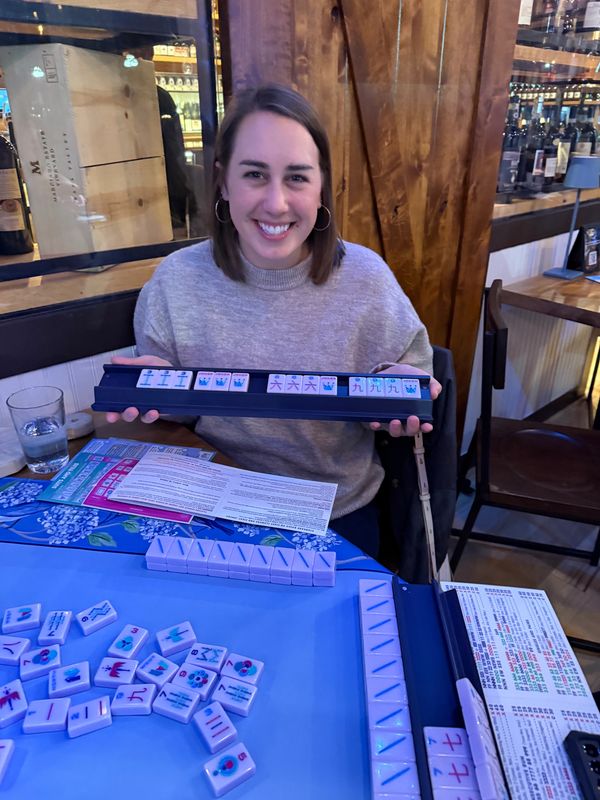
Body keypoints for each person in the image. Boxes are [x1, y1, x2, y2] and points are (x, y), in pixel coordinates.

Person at [106, 83, 441, 557]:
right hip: (215, 502)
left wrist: (401, 389)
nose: (277, 203)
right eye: (255, 175)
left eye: (298, 178)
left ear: (321, 184)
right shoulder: (176, 281)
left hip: (335, 510)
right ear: (223, 180)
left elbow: (410, 373)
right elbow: (179, 416)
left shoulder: (366, 278)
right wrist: (154, 388)